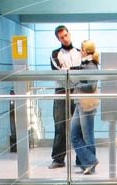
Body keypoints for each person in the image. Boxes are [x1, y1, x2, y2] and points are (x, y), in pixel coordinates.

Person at [49, 25, 81, 169]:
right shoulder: (55, 54)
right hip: (61, 91)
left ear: (70, 34)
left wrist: (68, 70)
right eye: (62, 37)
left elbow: (81, 70)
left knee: (79, 125)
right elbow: (58, 72)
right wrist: (71, 71)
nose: (65, 39)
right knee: (60, 125)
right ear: (58, 39)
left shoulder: (79, 52)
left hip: (76, 90)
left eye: (66, 35)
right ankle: (58, 159)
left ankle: (81, 158)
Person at [70, 40, 100, 175]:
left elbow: (92, 86)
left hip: (86, 104)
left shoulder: (91, 66)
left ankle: (90, 163)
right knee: (74, 135)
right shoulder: (85, 65)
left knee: (87, 136)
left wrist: (76, 84)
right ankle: (89, 160)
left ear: (85, 51)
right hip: (80, 103)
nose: (80, 52)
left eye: (81, 49)